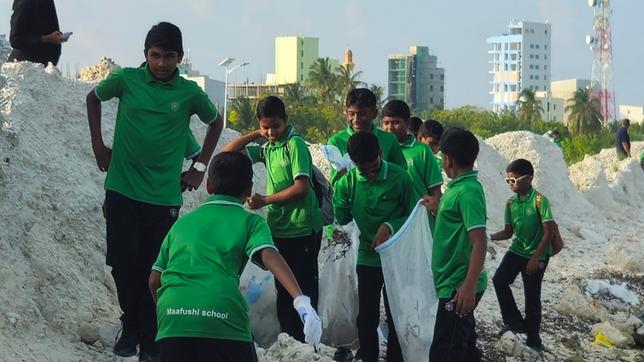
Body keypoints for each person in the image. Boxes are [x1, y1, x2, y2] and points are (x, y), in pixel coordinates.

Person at [86, 22, 223, 361]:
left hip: (163, 196)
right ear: (145, 54)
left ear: (179, 58)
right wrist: (98, 146)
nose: (162, 63)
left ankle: (150, 336)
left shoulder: (189, 93)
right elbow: (93, 97)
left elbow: (215, 121)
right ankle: (130, 323)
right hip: (121, 187)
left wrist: (199, 168)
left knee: (153, 268)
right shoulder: (127, 80)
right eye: (156, 55)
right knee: (121, 262)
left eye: (170, 57)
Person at [149, 152, 322, 362]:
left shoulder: (182, 224)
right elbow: (268, 254)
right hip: (221, 314)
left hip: (172, 318)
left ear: (209, 185)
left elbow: (154, 280)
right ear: (249, 188)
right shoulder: (250, 222)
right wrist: (300, 299)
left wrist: (172, 311)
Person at [222, 96, 322, 342]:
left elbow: (301, 188)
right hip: (279, 227)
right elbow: (228, 153)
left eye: (275, 126)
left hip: (302, 228)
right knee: (283, 289)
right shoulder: (268, 146)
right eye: (265, 126)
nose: (270, 132)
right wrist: (257, 133)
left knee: (303, 290)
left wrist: (265, 200)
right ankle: (289, 342)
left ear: (285, 121)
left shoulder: (294, 144)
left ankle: (308, 344)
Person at [333, 132, 415, 362]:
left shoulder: (400, 178)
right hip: (366, 258)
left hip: (395, 259)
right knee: (366, 316)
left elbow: (412, 215)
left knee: (395, 314)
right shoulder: (347, 183)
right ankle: (369, 357)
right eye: (362, 170)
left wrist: (389, 225)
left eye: (373, 168)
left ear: (380, 154)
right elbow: (341, 217)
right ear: (352, 162)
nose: (368, 174)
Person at [421, 127, 488, 361]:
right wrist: (438, 209)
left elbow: (479, 241)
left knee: (444, 351)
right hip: (452, 282)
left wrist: (468, 287)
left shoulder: (468, 192)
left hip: (458, 287)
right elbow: (456, 223)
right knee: (464, 348)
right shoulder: (457, 188)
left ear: (448, 159)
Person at [489, 159, 554, 353]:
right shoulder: (510, 203)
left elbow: (549, 232)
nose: (511, 184)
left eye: (514, 180)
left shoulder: (540, 201)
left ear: (529, 179)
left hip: (537, 253)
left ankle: (534, 338)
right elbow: (508, 233)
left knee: (532, 296)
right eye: (508, 181)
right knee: (499, 279)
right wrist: (487, 236)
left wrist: (536, 257)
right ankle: (514, 322)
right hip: (517, 250)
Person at [381, 100, 443, 229]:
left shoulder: (422, 151)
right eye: (386, 123)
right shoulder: (379, 151)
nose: (390, 128)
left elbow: (435, 190)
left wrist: (436, 214)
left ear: (407, 123)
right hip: (389, 221)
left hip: (419, 221)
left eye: (396, 122)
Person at [327, 88, 406, 186]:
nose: (356, 120)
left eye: (362, 114)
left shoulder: (389, 140)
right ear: (346, 112)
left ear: (374, 113)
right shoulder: (336, 142)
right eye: (352, 114)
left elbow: (401, 175)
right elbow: (336, 182)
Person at [8, 0, 68, 65]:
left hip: (41, 68)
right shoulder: (26, 2)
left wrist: (56, 37)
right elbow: (15, 39)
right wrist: (46, 38)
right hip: (24, 69)